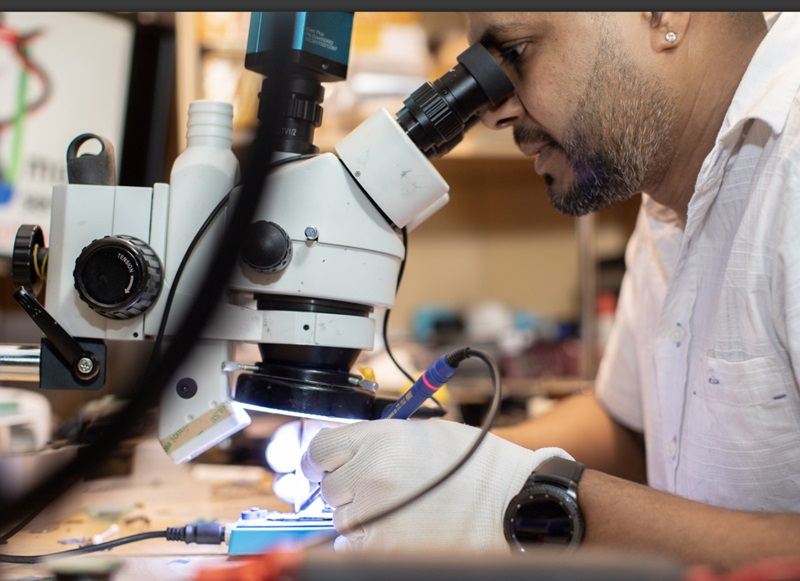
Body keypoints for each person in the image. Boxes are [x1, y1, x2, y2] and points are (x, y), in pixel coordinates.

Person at [301, 12, 800, 570]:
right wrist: (445, 465)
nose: (493, 110)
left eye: (514, 51)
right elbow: (630, 430)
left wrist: (520, 499)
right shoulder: (670, 199)